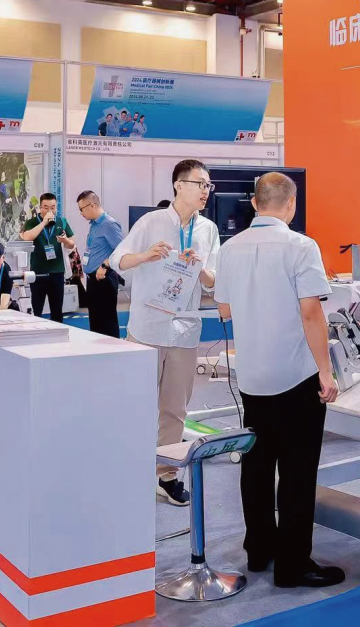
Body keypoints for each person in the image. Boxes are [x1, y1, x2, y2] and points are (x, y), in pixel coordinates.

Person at [214, 173, 345, 588]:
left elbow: (224, 311)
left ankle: (259, 550)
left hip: (252, 377)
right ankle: (293, 564)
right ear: (291, 205)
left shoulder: (229, 248)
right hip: (295, 376)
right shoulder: (301, 246)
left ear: (254, 203)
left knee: (256, 466)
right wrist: (326, 371)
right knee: (297, 472)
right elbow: (311, 312)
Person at [108, 159, 220, 506]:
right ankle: (128, 469)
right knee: (136, 405)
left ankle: (166, 476)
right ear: (178, 185)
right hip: (147, 328)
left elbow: (213, 281)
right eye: (200, 183)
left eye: (208, 185)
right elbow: (116, 260)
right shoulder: (151, 222)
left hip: (184, 331)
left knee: (174, 409)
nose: (205, 190)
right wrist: (146, 255)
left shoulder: (208, 230)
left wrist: (199, 267)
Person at [20, 193, 75, 322]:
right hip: (38, 272)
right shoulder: (32, 222)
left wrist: (65, 240)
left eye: (53, 207)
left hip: (57, 271)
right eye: (45, 207)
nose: (50, 211)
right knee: (37, 308)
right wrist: (44, 222)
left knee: (57, 309)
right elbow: (27, 237)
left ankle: (58, 331)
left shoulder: (62, 221)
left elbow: (72, 244)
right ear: (40, 207)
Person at [77, 190, 124, 337]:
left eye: (81, 209)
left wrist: (105, 265)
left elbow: (122, 251)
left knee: (107, 322)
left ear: (92, 205)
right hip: (92, 280)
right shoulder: (94, 224)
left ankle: (113, 349)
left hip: (104, 279)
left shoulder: (109, 224)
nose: (80, 213)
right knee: (96, 322)